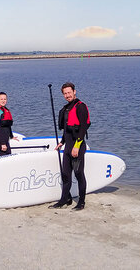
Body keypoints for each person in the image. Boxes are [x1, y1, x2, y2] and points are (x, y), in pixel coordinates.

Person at [49, 82, 90, 211]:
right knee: (65, 174)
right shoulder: (66, 109)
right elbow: (67, 129)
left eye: (69, 92)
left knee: (78, 173)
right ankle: (65, 199)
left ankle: (81, 202)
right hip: (68, 147)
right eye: (65, 93)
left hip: (77, 146)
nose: (67, 95)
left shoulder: (81, 107)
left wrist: (77, 146)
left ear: (74, 92)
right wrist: (62, 142)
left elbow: (83, 128)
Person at [0, 92, 18, 157]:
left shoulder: (5, 110)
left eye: (5, 99)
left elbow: (8, 126)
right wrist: (2, 143)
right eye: (1, 99)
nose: (3, 101)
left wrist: (11, 136)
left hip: (5, 142)